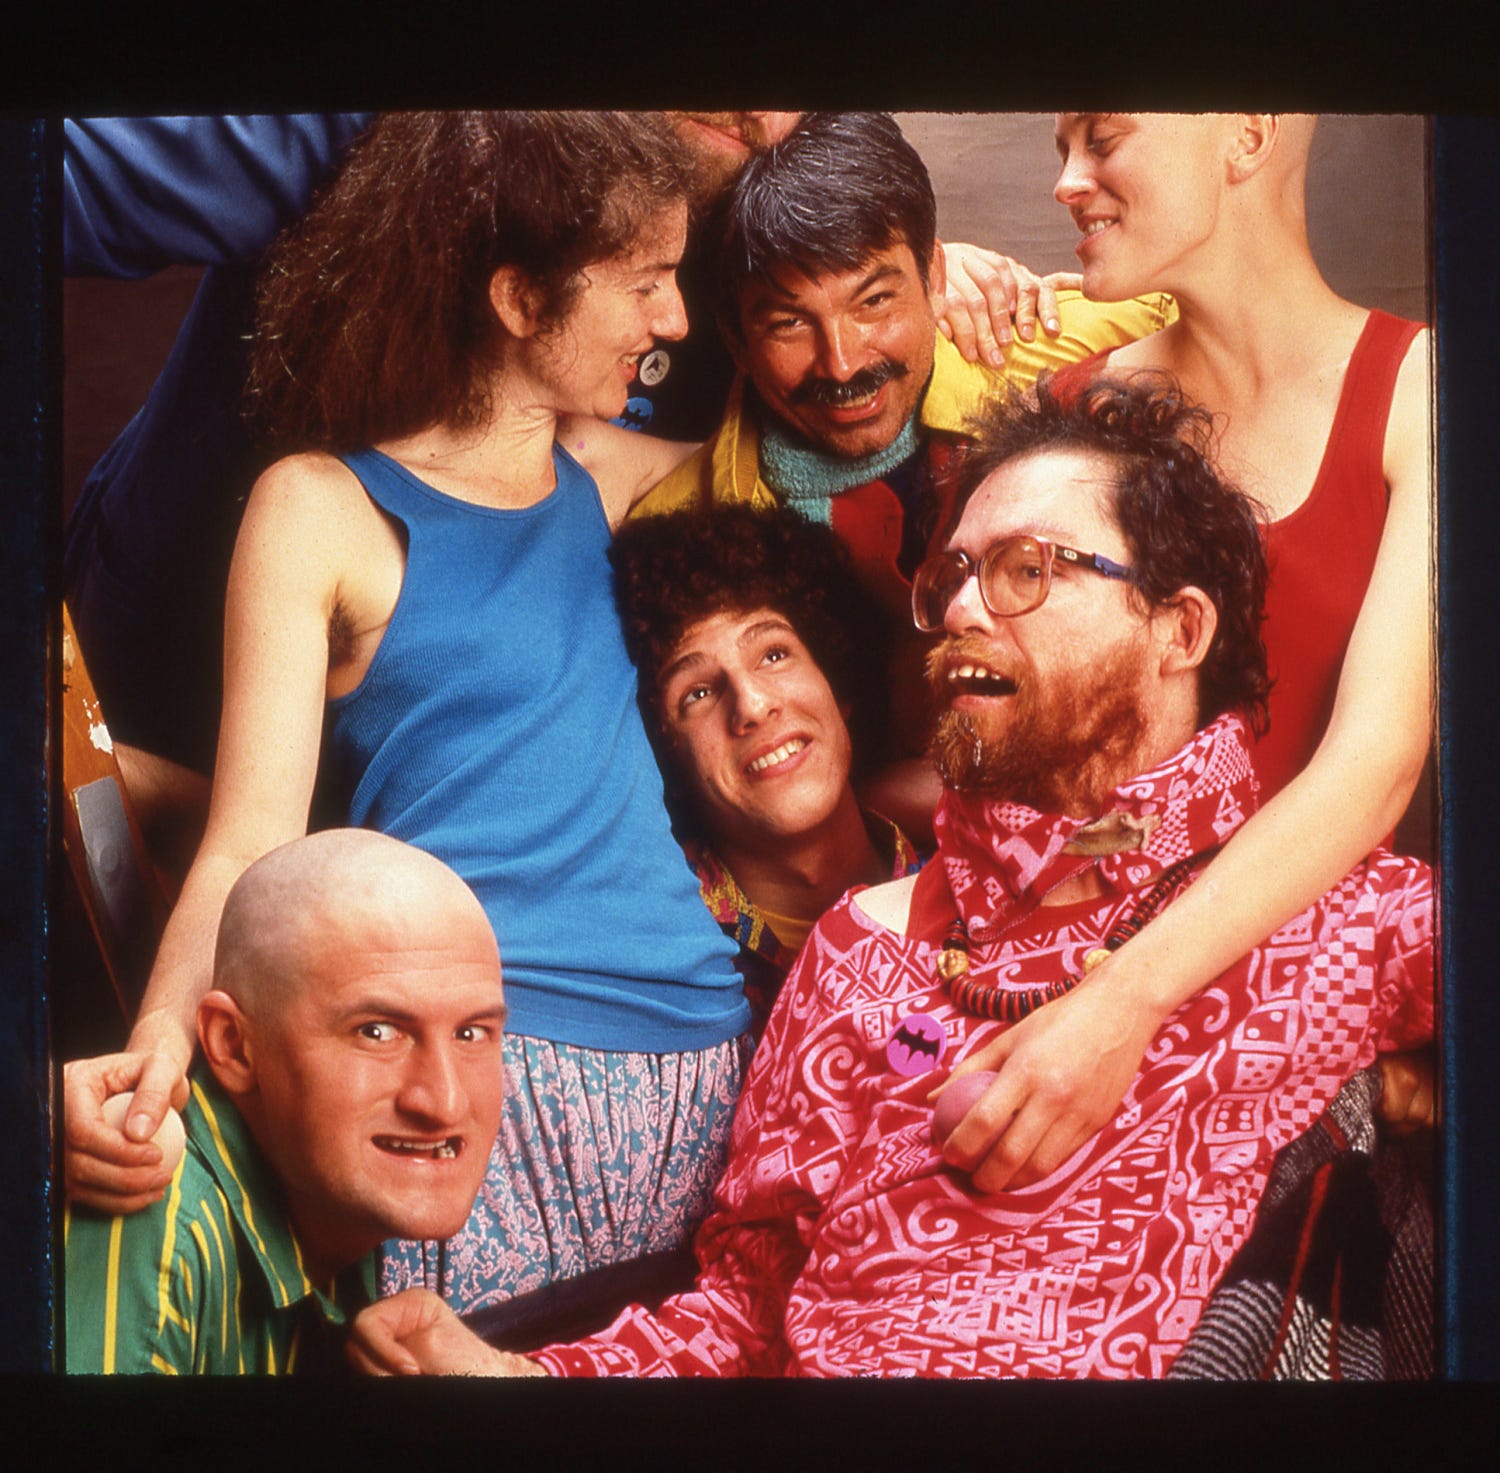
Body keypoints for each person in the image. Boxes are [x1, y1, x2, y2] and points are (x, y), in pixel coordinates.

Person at [344, 376, 1433, 1379]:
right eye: (953, 576)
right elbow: (746, 1311)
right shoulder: (860, 952)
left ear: (1177, 628)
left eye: (1027, 570)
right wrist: (522, 1381)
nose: (962, 610)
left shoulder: (1346, 920)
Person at [62, 111, 750, 1318]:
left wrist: (936, 266)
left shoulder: (610, 476)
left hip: (714, 1056)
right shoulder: (319, 508)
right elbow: (249, 843)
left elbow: (820, 421)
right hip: (478, 1074)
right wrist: (156, 1050)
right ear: (519, 300)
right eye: (646, 282)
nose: (675, 321)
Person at [62, 110, 1065, 887]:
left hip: (428, 791)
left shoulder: (736, 204)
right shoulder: (382, 115)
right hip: (168, 655)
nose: (763, 118)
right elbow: (68, 174)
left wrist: (915, 279)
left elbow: (832, 267)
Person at [937, 113, 1433, 1196]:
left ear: (1247, 134)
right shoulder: (1069, 410)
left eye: (1104, 137)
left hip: (1284, 1002)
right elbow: (987, 767)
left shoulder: (1422, 390)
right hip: (1043, 987)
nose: (1068, 181)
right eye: (1059, 147)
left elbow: (1373, 764)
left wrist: (1125, 1001)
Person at [632, 111, 1174, 788]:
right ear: (736, 340)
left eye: (875, 302)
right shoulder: (684, 533)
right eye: (789, 324)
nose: (841, 363)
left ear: (936, 276)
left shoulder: (1070, 346)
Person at [65, 828, 507, 1374]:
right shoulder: (156, 1229)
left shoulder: (337, 1196)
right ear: (234, 1044)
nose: (443, 1102)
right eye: (376, 1032)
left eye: (471, 1033)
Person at [609, 503, 924, 1033]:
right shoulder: (656, 955)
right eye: (698, 693)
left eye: (774, 655)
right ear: (667, 755)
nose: (752, 705)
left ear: (837, 684)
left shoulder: (976, 874)